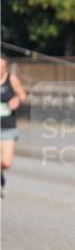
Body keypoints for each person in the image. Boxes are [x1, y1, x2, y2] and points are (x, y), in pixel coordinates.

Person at [1, 55, 28, 196]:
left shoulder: (11, 79)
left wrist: (17, 99)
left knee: (6, 162)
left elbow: (23, 95)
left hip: (8, 126)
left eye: (2, 67)